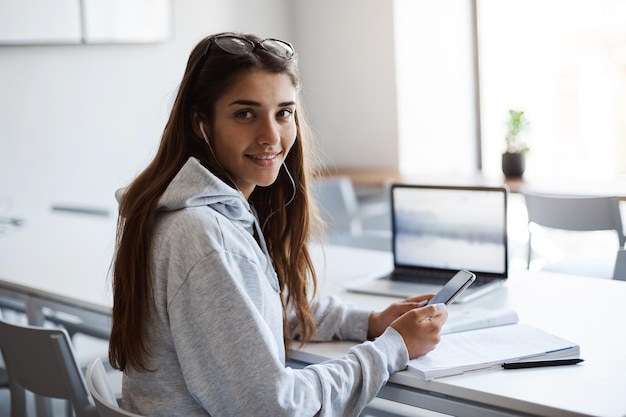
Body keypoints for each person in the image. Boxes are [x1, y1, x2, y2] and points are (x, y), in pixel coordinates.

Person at [109, 31, 448, 417]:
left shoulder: (191, 212)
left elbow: (248, 310)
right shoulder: (204, 235)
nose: (271, 136)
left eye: (283, 113)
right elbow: (273, 408)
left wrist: (368, 322)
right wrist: (392, 349)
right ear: (201, 123)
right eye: (245, 113)